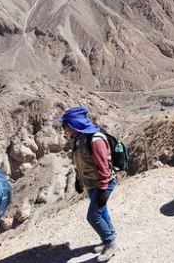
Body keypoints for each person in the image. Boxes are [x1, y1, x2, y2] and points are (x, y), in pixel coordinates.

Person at [57, 106, 117, 262]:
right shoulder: (79, 138)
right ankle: (107, 239)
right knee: (101, 212)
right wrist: (78, 179)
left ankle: (110, 243)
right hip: (91, 183)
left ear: (74, 124)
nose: (63, 128)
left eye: (65, 124)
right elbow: (81, 161)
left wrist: (103, 190)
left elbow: (104, 168)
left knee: (93, 217)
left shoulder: (95, 140)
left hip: (103, 183)